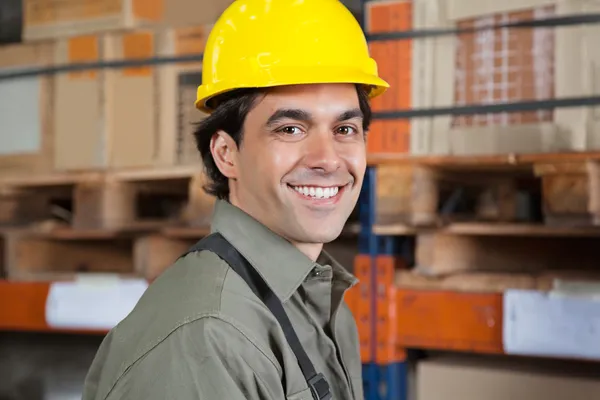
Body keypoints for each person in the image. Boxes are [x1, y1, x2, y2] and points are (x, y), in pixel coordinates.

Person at [81, 0, 388, 399]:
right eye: (292, 129)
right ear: (227, 153)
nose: (328, 159)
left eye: (345, 129)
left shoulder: (320, 304)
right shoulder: (209, 337)